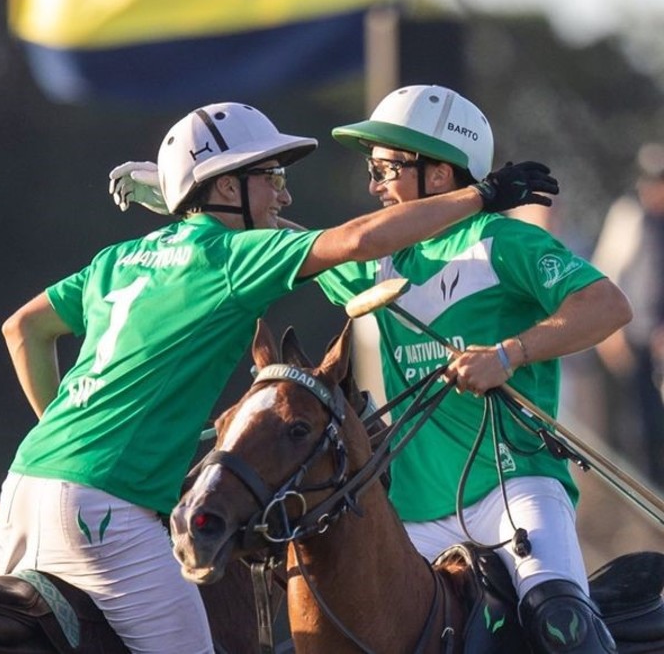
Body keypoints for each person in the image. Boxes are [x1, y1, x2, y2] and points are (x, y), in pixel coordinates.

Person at [0, 101, 554, 654]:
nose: (284, 193)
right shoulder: (233, 257)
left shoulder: (117, 258)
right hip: (109, 508)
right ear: (228, 188)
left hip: (24, 487)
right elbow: (359, 240)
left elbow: (22, 328)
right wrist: (481, 195)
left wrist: (75, 444)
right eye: (271, 176)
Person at [109, 87, 630, 653]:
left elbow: (607, 306)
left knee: (563, 628)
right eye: (372, 168)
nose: (373, 184)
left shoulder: (504, 242)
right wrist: (181, 192)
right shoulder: (373, 261)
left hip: (514, 491)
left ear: (439, 173)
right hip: (410, 510)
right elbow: (267, 240)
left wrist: (508, 354)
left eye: (387, 167)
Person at [592, 142, 664, 487]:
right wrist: (612, 335)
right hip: (633, 337)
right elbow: (607, 269)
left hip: (658, 340)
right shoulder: (629, 214)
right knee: (636, 423)